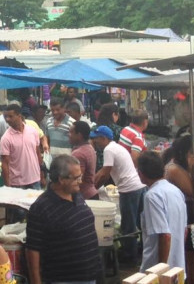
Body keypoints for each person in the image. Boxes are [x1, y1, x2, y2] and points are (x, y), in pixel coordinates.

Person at [26, 155, 101, 284]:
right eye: (76, 178)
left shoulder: (76, 195)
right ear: (61, 179)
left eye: (80, 177)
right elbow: (33, 250)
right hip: (63, 279)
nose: (80, 181)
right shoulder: (41, 207)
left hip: (90, 276)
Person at [91, 125, 146, 262]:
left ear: (103, 138)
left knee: (129, 225)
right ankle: (141, 250)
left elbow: (104, 173)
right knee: (140, 223)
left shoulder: (109, 149)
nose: (95, 142)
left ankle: (130, 256)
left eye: (96, 139)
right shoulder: (117, 147)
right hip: (138, 186)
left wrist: (93, 187)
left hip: (129, 189)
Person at [137, 151, 186, 272]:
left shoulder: (152, 196)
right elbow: (184, 231)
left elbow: (164, 235)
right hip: (177, 266)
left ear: (141, 174)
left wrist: (161, 269)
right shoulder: (176, 191)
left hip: (158, 267)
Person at [0, 103, 42, 189]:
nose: (7, 119)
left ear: (19, 116)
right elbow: (5, 163)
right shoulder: (6, 138)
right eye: (6, 117)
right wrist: (8, 186)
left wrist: (42, 175)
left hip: (35, 180)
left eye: (11, 116)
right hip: (17, 183)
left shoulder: (32, 131)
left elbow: (37, 153)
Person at [69, 120, 98, 200]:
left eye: (71, 132)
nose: (69, 135)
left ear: (79, 135)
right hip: (91, 193)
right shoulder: (89, 148)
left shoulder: (79, 153)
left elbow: (78, 179)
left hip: (85, 197)